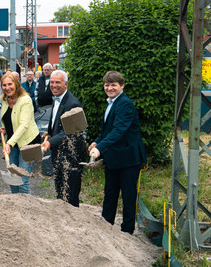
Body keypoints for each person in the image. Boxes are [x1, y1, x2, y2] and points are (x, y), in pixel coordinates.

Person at [89, 71, 146, 234]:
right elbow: (109, 129)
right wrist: (97, 141)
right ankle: (106, 226)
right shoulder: (111, 102)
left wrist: (99, 148)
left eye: (113, 85)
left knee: (128, 196)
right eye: (107, 85)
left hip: (129, 158)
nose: (109, 88)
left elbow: (119, 131)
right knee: (110, 193)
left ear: (122, 86)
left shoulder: (125, 104)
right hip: (115, 157)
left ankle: (127, 231)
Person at [41, 70, 87, 207]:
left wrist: (50, 142)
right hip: (59, 153)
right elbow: (56, 121)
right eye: (52, 82)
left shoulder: (73, 104)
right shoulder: (57, 98)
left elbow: (69, 131)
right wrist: (49, 132)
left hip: (71, 155)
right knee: (60, 190)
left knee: (70, 194)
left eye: (58, 82)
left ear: (66, 84)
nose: (54, 85)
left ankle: (72, 223)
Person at [0, 73, 40, 194]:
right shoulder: (4, 99)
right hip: (13, 141)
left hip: (28, 142)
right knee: (12, 177)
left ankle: (25, 207)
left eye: (10, 84)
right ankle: (16, 203)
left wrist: (9, 143)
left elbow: (24, 125)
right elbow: (6, 117)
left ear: (16, 84)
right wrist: (4, 128)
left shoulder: (25, 100)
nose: (7, 87)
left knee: (22, 178)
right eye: (4, 85)